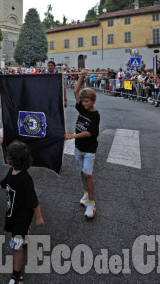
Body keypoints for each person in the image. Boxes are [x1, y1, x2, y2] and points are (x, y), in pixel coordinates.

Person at [0, 141, 44, 284]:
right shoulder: (11, 172)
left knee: (16, 246)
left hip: (22, 216)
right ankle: (26, 232)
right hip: (13, 212)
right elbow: (4, 183)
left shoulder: (25, 179)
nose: (7, 156)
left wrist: (39, 217)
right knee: (19, 234)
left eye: (9, 155)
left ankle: (17, 276)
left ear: (13, 159)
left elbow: (33, 201)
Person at [65, 70, 101, 218]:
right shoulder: (81, 107)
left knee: (88, 174)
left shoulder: (95, 115)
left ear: (93, 101)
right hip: (79, 147)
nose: (85, 103)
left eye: (88, 101)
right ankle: (86, 194)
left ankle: (92, 203)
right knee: (82, 173)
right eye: (83, 101)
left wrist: (72, 136)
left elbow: (89, 133)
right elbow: (75, 90)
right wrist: (81, 76)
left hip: (89, 149)